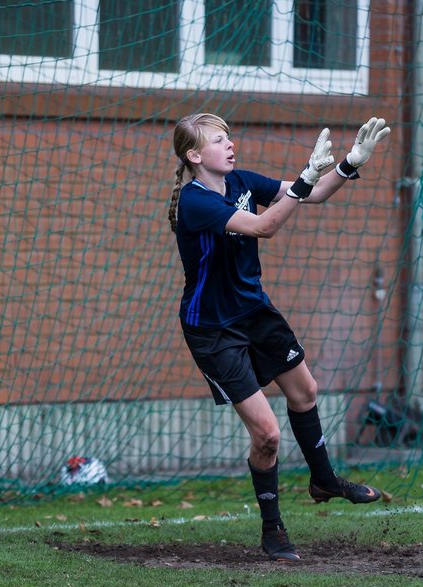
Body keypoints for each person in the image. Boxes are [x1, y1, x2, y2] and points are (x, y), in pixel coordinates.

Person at [167, 112, 392, 561]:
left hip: (256, 313)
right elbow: (264, 226)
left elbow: (316, 194)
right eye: (217, 140)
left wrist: (349, 163)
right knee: (267, 435)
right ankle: (273, 532)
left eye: (229, 137)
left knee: (306, 391)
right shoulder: (194, 201)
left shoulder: (242, 181)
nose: (229, 145)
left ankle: (323, 480)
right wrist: (308, 174)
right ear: (194, 155)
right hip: (214, 329)